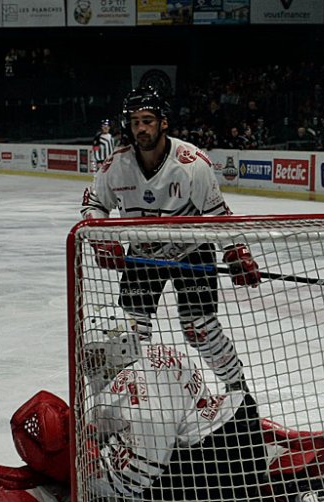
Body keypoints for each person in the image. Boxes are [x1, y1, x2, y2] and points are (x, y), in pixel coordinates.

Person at [0, 310, 324, 502]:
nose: (90, 366)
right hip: (238, 428)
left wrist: (86, 476)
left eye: (95, 357)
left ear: (118, 350)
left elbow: (139, 475)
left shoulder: (135, 395)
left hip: (216, 478)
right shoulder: (155, 355)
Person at [81, 86, 259, 391]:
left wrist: (236, 252)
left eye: (147, 120)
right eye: (135, 122)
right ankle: (130, 397)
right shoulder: (115, 165)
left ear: (163, 122)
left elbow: (219, 215)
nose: (141, 128)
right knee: (129, 332)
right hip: (142, 254)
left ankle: (239, 391)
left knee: (199, 328)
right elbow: (93, 205)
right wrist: (103, 241)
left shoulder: (192, 163)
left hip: (191, 251)